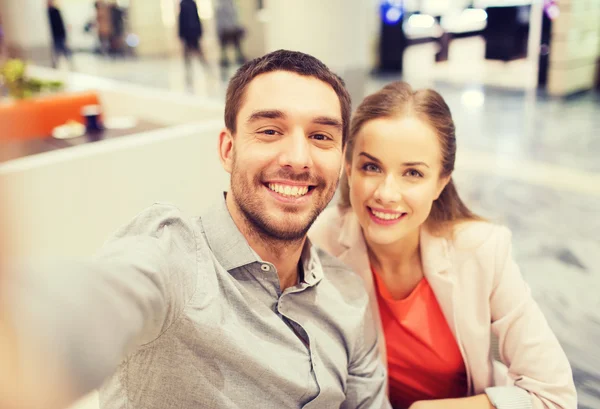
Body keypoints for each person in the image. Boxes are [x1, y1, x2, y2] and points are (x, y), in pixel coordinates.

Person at [1, 50, 390, 409]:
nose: (298, 158)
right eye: (270, 130)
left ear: (340, 160)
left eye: (320, 137)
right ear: (227, 149)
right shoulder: (176, 255)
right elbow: (100, 298)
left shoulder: (348, 296)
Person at [309, 81, 577, 409]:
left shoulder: (481, 249)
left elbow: (554, 395)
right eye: (372, 167)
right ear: (348, 168)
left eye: (413, 173)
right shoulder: (318, 243)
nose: (386, 193)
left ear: (441, 182)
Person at [178, 0, 207, 77]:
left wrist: (200, 31)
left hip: (192, 32)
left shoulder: (192, 3)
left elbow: (196, 17)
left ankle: (204, 66)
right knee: (187, 52)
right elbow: (182, 20)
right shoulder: (183, 4)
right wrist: (181, 34)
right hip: (189, 32)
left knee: (198, 51)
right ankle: (188, 70)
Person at [215, 0, 246, 67]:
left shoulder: (231, 3)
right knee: (225, 48)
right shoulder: (220, 5)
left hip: (231, 29)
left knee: (236, 47)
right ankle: (225, 61)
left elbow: (235, 17)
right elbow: (220, 19)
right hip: (226, 29)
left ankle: (238, 59)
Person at [47, 0, 73, 68]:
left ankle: (70, 62)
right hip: (54, 36)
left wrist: (64, 34)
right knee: (56, 51)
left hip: (60, 34)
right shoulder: (47, 12)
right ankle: (55, 65)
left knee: (64, 50)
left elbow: (61, 24)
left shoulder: (56, 11)